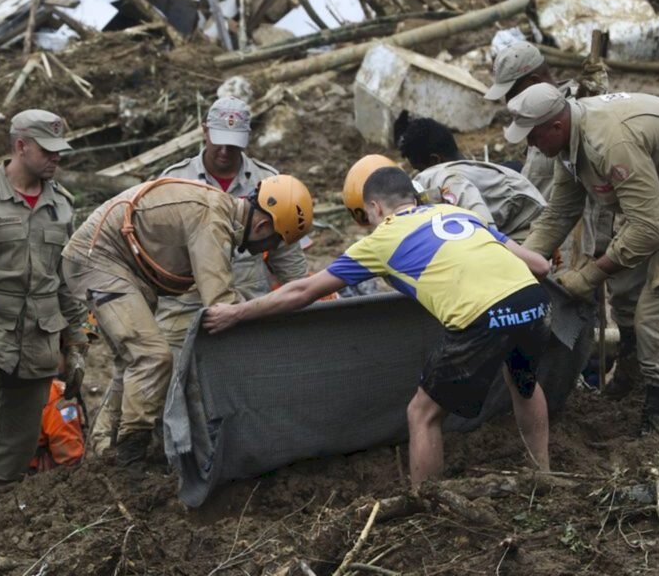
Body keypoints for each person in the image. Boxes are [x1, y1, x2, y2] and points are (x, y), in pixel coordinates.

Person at [204, 167, 552, 486]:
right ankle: (543, 473)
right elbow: (539, 266)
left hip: (480, 317)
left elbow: (304, 290)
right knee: (523, 384)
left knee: (422, 413)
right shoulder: (458, 213)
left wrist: (236, 314)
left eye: (368, 215)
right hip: (532, 301)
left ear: (376, 208)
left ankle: (428, 500)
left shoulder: (381, 240)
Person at [88, 95, 309, 457]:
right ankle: (126, 453)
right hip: (181, 308)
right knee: (158, 378)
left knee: (242, 393)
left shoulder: (271, 185)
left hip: (243, 307)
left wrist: (310, 297)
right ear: (204, 131)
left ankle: (232, 456)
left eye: (233, 144)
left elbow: (289, 259)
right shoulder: (174, 181)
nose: (224, 151)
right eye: (218, 140)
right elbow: (145, 252)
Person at [506, 84, 659, 434]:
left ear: (556, 127)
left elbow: (649, 230)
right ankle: (633, 372)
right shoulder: (568, 143)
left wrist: (589, 276)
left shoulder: (609, 143)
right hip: (654, 189)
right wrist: (520, 265)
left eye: (532, 137)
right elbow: (560, 212)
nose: (529, 145)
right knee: (625, 286)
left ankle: (658, 412)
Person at [62, 174, 314, 467]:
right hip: (100, 260)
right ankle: (130, 460)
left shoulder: (218, 213)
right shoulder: (213, 219)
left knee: (133, 360)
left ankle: (107, 450)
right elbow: (221, 306)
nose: (266, 251)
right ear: (261, 226)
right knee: (152, 358)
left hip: (117, 264)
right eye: (273, 242)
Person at [0, 110, 89, 497]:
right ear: (20, 146)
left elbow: (67, 279)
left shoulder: (62, 205)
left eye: (59, 151)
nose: (55, 158)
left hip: (39, 338)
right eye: (47, 150)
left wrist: (77, 342)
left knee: (22, 435)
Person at [398, 117, 546, 243]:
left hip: (531, 237)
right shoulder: (468, 171)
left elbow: (485, 235)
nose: (420, 175)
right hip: (524, 230)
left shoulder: (448, 178)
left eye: (420, 169)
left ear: (434, 160)